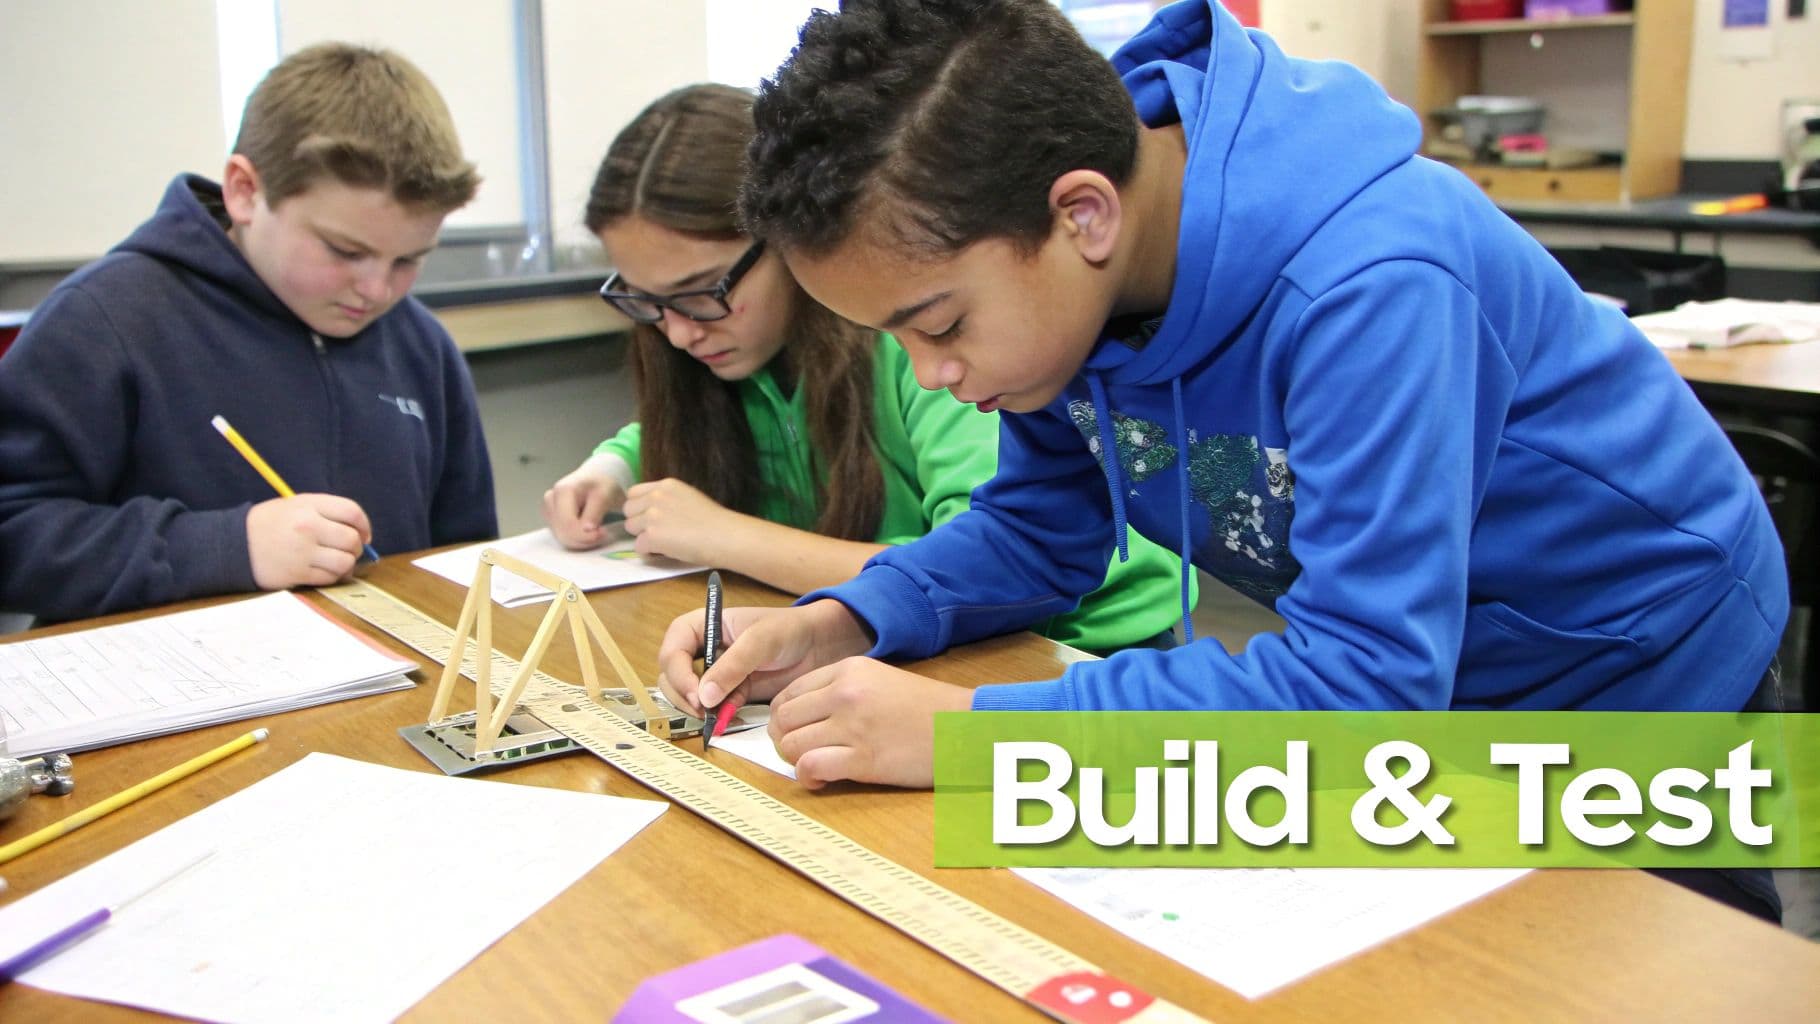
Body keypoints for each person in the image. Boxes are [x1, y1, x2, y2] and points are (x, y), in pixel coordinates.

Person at [660, 1, 1786, 806]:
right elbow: (1040, 529)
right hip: (1423, 671)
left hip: (1634, 650)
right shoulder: (1059, 300)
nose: (926, 372)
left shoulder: (1367, 281)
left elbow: (1361, 695)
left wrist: (974, 738)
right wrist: (847, 619)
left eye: (939, 324)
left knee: (1612, 967)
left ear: (1082, 216)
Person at [541, 83, 1189, 657]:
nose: (679, 331)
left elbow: (998, 562)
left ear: (792, 242)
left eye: (700, 292)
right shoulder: (735, 347)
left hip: (1068, 647)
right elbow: (1002, 552)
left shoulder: (942, 342)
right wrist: (617, 464)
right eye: (645, 302)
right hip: (925, 629)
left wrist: (726, 538)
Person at [0, 43, 497, 622]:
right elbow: (14, 535)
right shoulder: (105, 321)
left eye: (409, 260)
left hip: (383, 690)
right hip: (175, 693)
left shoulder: (422, 346)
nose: (377, 290)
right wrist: (227, 548)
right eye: (344, 250)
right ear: (243, 191)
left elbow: (462, 557)